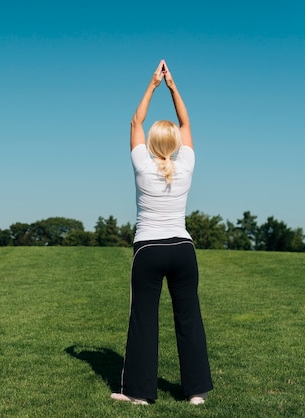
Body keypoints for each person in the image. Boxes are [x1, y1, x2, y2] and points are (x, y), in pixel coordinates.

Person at [110, 60, 213, 405]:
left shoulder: (142, 164)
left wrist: (152, 85)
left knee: (144, 319)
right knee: (189, 318)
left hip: (149, 251)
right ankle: (196, 393)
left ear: (152, 143)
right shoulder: (186, 165)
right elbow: (186, 121)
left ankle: (140, 394)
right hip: (183, 250)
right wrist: (173, 87)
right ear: (177, 144)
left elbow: (135, 121)